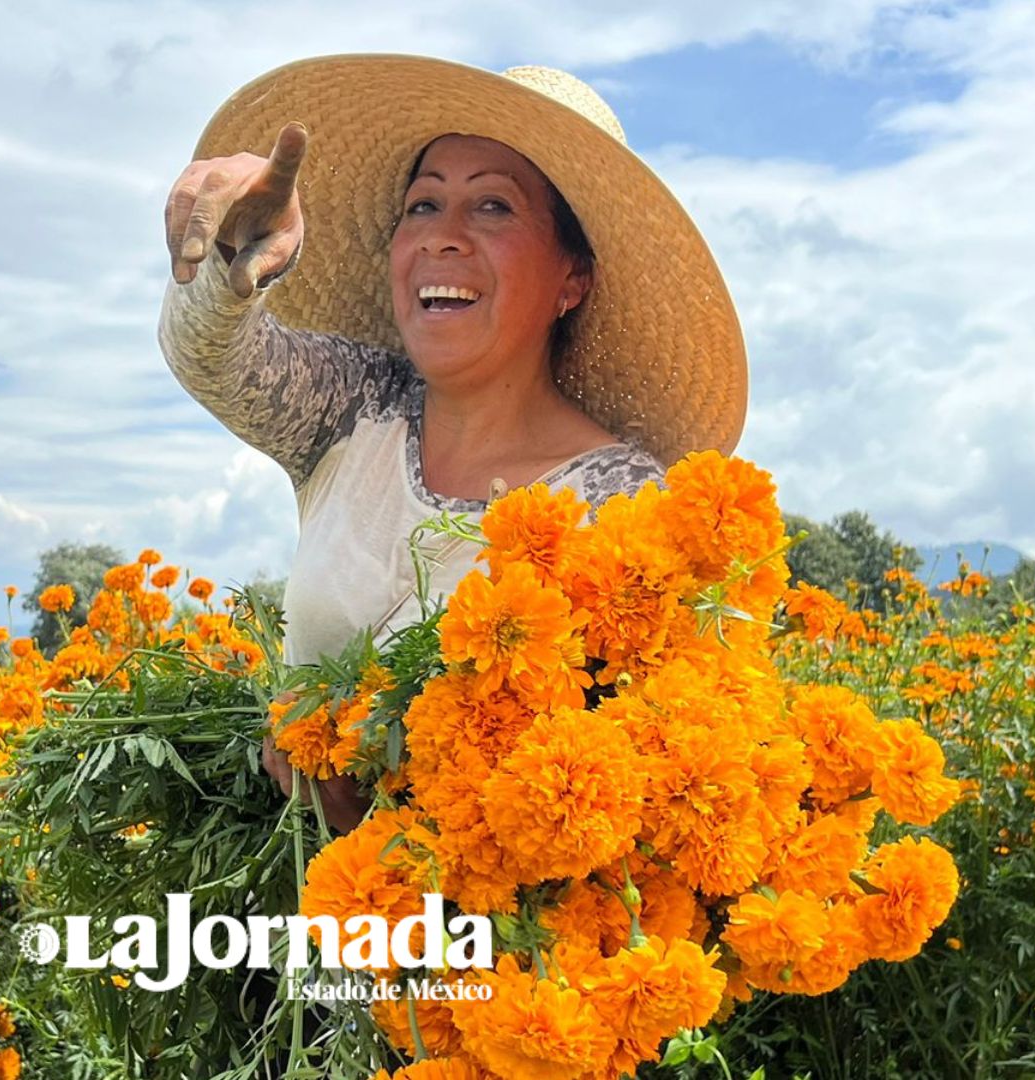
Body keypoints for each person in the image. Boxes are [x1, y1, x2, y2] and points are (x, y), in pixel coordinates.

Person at [158, 56, 748, 834]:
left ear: (572, 277)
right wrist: (234, 258)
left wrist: (385, 816)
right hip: (326, 937)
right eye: (423, 204)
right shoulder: (354, 406)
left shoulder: (625, 507)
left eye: (494, 207)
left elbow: (632, 808)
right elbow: (210, 357)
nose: (442, 237)